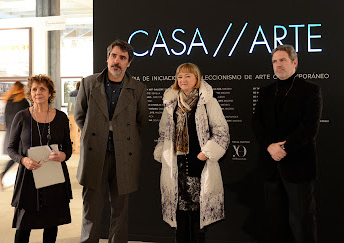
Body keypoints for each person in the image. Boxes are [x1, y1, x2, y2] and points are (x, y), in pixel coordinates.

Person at [74, 39, 149, 243]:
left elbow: (142, 122)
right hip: (94, 154)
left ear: (128, 63)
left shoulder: (138, 89)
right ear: (107, 58)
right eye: (114, 56)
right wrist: (94, 133)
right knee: (91, 208)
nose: (117, 61)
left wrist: (123, 140)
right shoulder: (89, 84)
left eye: (122, 58)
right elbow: (79, 116)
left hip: (123, 156)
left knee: (120, 210)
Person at [253, 45, 322, 243]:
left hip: (298, 166)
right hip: (271, 167)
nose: (278, 65)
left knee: (302, 221)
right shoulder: (265, 92)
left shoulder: (310, 90)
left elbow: (309, 128)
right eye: (274, 61)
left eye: (282, 60)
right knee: (275, 222)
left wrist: (283, 148)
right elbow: (257, 123)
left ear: (294, 62)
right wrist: (270, 147)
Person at [154, 63, 230, 242]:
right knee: (178, 217)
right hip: (176, 167)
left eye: (188, 76)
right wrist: (163, 154)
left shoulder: (208, 101)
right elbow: (164, 132)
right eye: (180, 76)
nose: (183, 80)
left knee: (198, 219)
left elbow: (221, 132)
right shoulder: (171, 103)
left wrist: (205, 154)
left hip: (198, 164)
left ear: (197, 78)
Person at [8, 74, 73, 243]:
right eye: (34, 89)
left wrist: (64, 155)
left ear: (50, 92)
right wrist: (23, 160)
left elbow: (68, 147)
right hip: (28, 177)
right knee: (23, 226)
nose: (38, 92)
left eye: (42, 88)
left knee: (51, 225)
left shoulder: (61, 118)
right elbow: (11, 148)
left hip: (53, 176)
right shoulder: (21, 117)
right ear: (30, 92)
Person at [0, 81, 30, 190]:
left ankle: (5, 175)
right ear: (21, 89)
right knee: (22, 156)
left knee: (18, 156)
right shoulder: (23, 102)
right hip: (21, 133)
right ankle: (20, 180)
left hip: (10, 133)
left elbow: (6, 120)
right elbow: (27, 119)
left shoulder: (8, 101)